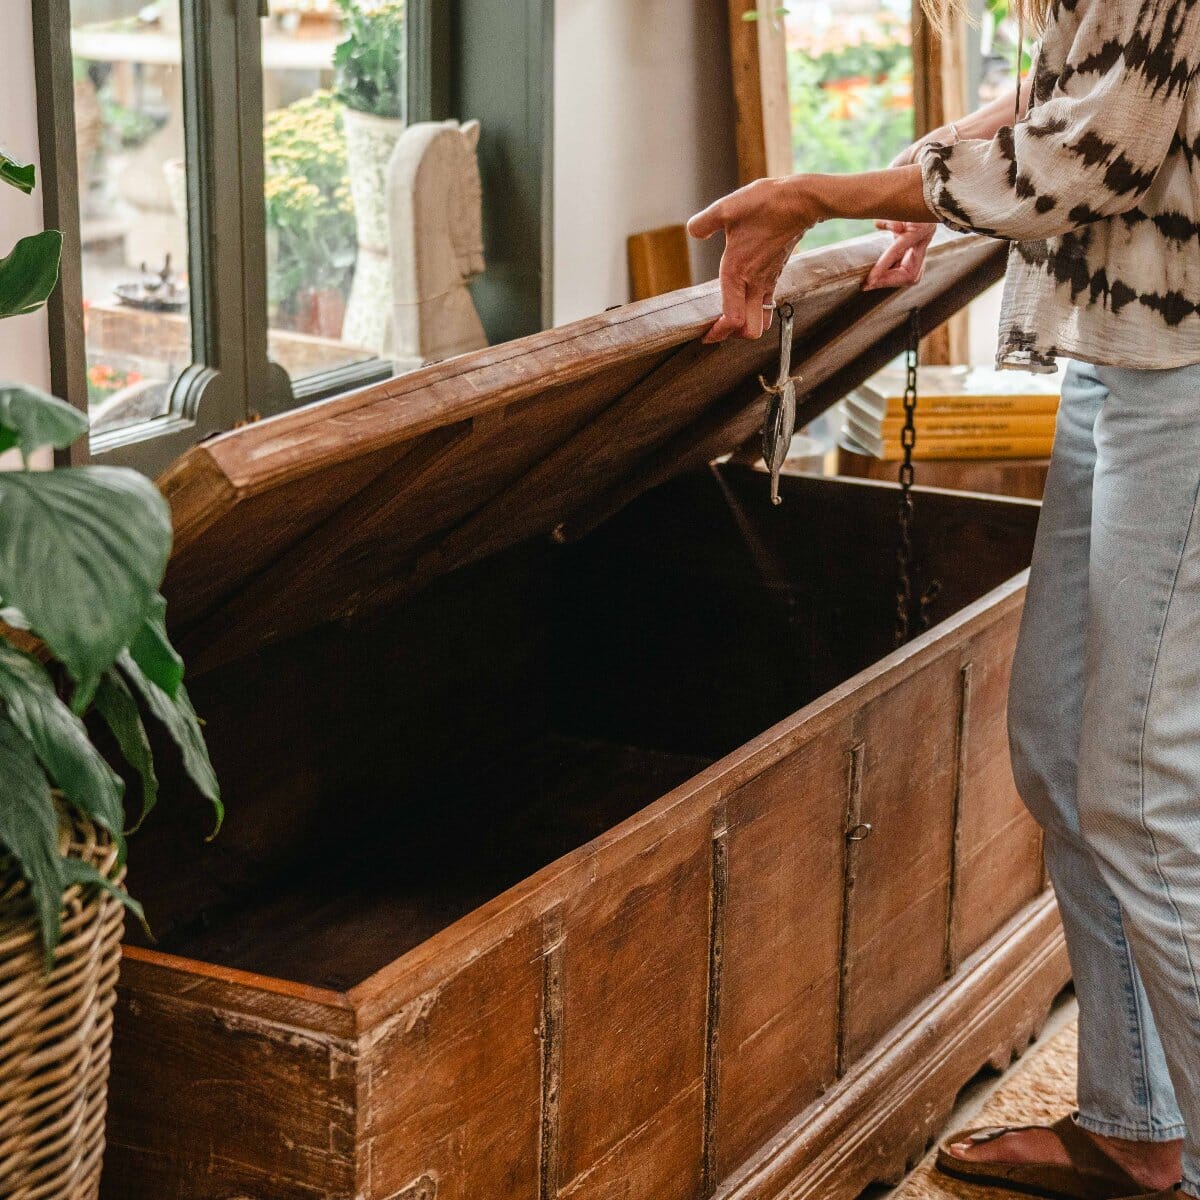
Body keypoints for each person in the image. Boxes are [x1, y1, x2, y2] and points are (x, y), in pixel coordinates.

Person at [688, 2, 1200, 1198]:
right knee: (1061, 756)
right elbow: (1073, 90)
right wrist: (931, 160)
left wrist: (829, 192)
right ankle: (1134, 1121)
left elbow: (1085, 159)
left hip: (1182, 380)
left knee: (1136, 787)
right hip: (1116, 356)